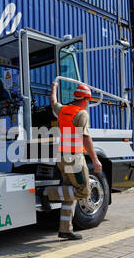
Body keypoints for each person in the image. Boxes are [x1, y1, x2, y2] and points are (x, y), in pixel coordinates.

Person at [39, 82, 102, 240]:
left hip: (61, 157)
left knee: (69, 191)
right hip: (74, 159)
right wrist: (95, 160)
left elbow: (53, 102)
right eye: (88, 100)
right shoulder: (82, 114)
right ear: (84, 99)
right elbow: (86, 138)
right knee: (83, 191)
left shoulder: (63, 110)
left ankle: (65, 229)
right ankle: (47, 193)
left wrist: (53, 87)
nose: (88, 104)